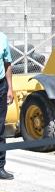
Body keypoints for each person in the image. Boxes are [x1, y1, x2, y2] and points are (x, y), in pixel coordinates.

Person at [0, 32, 14, 180]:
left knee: (0, 128)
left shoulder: (3, 38)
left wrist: (10, 88)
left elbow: (8, 64)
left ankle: (0, 167)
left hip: (1, 87)